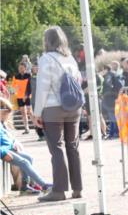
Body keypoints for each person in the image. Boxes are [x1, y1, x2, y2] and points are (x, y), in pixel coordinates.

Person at [32, 25, 84, 202]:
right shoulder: (70, 58)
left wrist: (36, 113)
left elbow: (43, 88)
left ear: (47, 41)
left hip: (53, 108)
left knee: (57, 148)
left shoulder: (46, 59)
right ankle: (77, 188)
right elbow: (79, 81)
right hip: (74, 107)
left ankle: (59, 191)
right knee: (73, 147)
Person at [0, 98, 51, 194]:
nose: (7, 116)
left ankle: (24, 187)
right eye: (6, 113)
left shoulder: (2, 123)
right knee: (24, 162)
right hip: (3, 151)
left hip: (8, 148)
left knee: (29, 158)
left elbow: (6, 137)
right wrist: (2, 152)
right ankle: (44, 185)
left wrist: (13, 142)